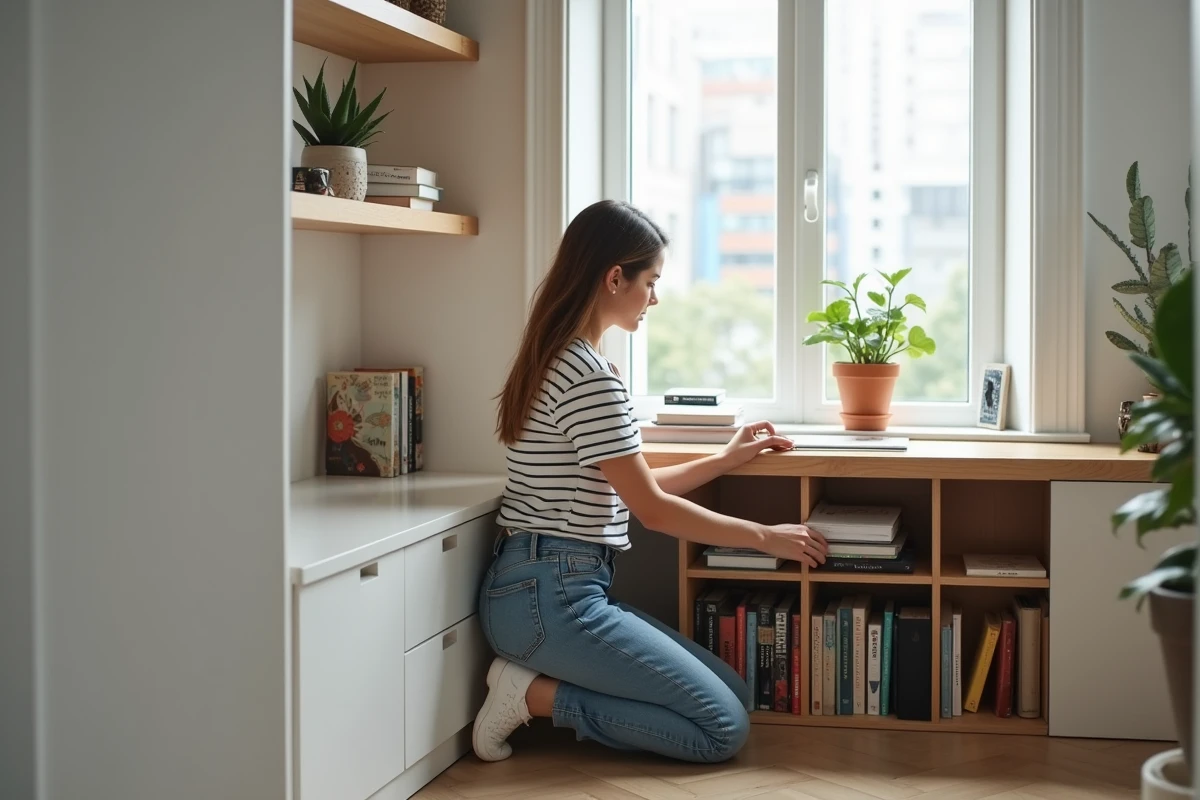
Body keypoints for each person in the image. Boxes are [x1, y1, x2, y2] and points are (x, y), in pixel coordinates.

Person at [472, 199, 828, 765]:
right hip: (549, 599)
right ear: (615, 277)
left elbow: (632, 487)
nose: (655, 299)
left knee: (733, 696)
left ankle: (534, 687)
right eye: (651, 281)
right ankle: (532, 697)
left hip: (546, 587)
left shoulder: (560, 359)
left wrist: (723, 459)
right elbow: (654, 511)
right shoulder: (587, 375)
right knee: (720, 730)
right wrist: (766, 538)